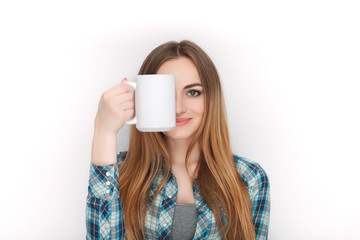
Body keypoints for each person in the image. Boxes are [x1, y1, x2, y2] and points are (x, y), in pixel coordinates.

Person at [86, 40, 270, 240]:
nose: (178, 108)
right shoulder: (117, 173)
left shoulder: (249, 178)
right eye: (165, 94)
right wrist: (104, 131)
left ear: (211, 99)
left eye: (193, 92)